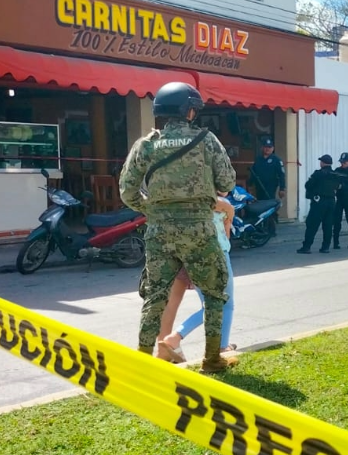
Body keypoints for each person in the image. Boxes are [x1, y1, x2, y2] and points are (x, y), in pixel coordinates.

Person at [119, 81, 237, 373]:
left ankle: (143, 360)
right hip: (199, 230)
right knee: (214, 294)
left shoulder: (146, 144)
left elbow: (127, 191)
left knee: (155, 296)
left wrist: (153, 209)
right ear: (189, 111)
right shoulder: (207, 141)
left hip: (160, 232)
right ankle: (212, 359)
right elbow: (227, 183)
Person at [155, 196, 237, 363]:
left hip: (184, 253)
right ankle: (180, 339)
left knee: (176, 302)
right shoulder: (221, 204)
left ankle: (166, 349)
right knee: (223, 304)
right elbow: (227, 233)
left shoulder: (178, 195)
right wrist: (229, 211)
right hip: (215, 256)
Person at [298, 154, 343, 253]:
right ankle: (325, 247)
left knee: (312, 224)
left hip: (319, 202)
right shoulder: (335, 175)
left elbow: (308, 185)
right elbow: (338, 187)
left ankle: (306, 247)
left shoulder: (318, 174)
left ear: (322, 163)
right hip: (331, 202)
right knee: (328, 225)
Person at [248, 137, 286, 203]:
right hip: (259, 186)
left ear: (273, 148)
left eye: (269, 147)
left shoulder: (276, 160)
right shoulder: (258, 159)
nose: (267, 149)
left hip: (270, 187)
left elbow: (281, 174)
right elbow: (253, 173)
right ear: (262, 148)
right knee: (259, 203)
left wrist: (282, 188)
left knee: (269, 203)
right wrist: (250, 185)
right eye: (266, 147)